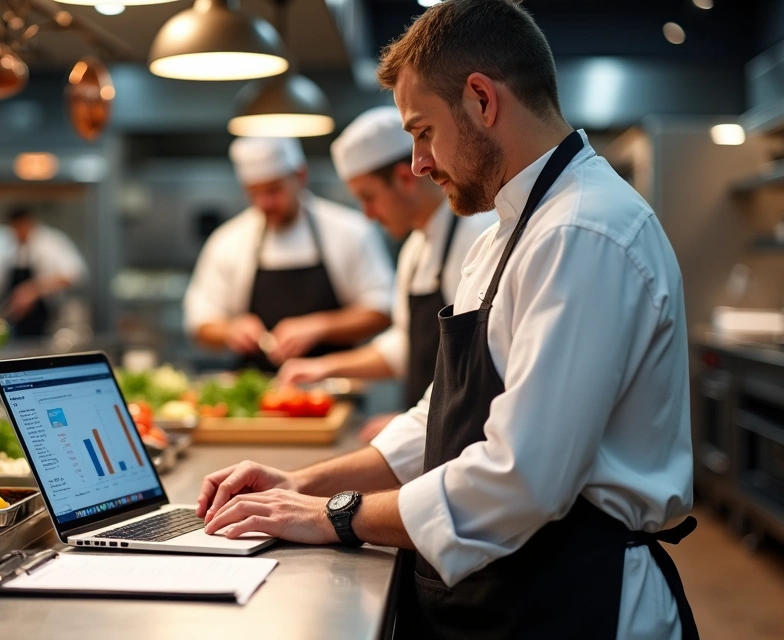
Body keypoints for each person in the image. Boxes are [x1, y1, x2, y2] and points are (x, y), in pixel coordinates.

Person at [192, 2, 699, 638]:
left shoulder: (582, 231)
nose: (419, 164)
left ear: (483, 100)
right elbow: (438, 420)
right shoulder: (504, 234)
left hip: (577, 599)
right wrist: (302, 482)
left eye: (423, 130)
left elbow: (522, 478)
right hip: (510, 588)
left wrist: (336, 514)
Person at [277, 106, 497, 441]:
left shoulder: (476, 235)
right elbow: (407, 345)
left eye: (369, 198)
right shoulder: (414, 249)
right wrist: (324, 368)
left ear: (405, 178)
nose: (367, 215)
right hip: (432, 434)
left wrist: (412, 424)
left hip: (464, 439)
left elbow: (479, 367)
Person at [184, 137, 394, 371]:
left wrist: (319, 326)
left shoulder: (350, 231)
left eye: (274, 190)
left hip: (335, 386)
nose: (265, 202)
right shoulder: (228, 241)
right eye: (254, 193)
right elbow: (200, 323)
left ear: (301, 176)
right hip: (255, 393)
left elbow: (382, 310)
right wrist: (230, 330)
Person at [0, 206, 88, 337]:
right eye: (15, 229)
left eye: (22, 228)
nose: (19, 233)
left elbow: (75, 273)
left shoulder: (52, 240)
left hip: (50, 322)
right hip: (11, 323)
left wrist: (33, 290)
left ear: (31, 223)